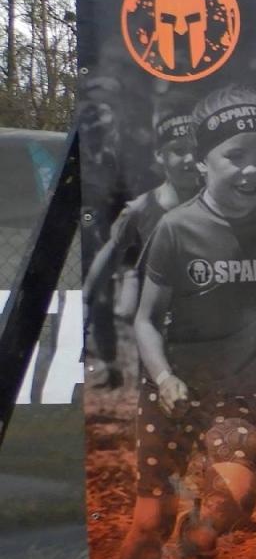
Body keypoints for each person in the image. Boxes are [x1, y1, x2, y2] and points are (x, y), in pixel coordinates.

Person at [115, 88, 256, 559]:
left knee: (236, 498)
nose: (252, 170)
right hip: (170, 394)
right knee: (150, 517)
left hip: (235, 393)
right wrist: (165, 377)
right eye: (235, 156)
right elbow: (146, 320)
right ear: (202, 162)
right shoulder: (177, 229)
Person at [82, 109, 201, 386]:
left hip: (206, 313)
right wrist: (87, 296)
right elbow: (112, 250)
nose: (189, 159)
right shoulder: (143, 208)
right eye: (177, 150)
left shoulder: (221, 203)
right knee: (154, 386)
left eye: (195, 151)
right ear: (160, 156)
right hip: (157, 310)